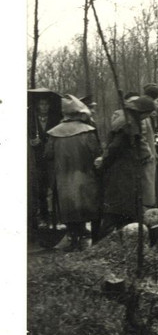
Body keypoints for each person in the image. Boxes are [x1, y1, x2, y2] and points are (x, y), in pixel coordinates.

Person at [44, 95, 103, 250]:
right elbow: (96, 153)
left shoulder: (53, 134)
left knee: (69, 210)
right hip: (85, 177)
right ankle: (85, 241)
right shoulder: (88, 131)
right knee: (87, 208)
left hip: (63, 180)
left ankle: (73, 239)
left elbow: (48, 155)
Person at [97, 95, 156, 238]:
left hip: (124, 171)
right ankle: (102, 243)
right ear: (143, 112)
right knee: (118, 210)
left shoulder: (128, 119)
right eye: (147, 114)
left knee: (123, 210)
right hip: (122, 173)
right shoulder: (128, 124)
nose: (147, 117)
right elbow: (115, 147)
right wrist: (104, 161)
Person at [28, 92, 61, 232]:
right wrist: (31, 141)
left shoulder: (54, 118)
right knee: (40, 188)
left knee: (53, 186)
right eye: (41, 104)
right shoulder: (31, 119)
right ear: (37, 105)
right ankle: (44, 216)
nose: (44, 107)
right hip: (36, 158)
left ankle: (56, 217)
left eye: (46, 104)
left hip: (51, 158)